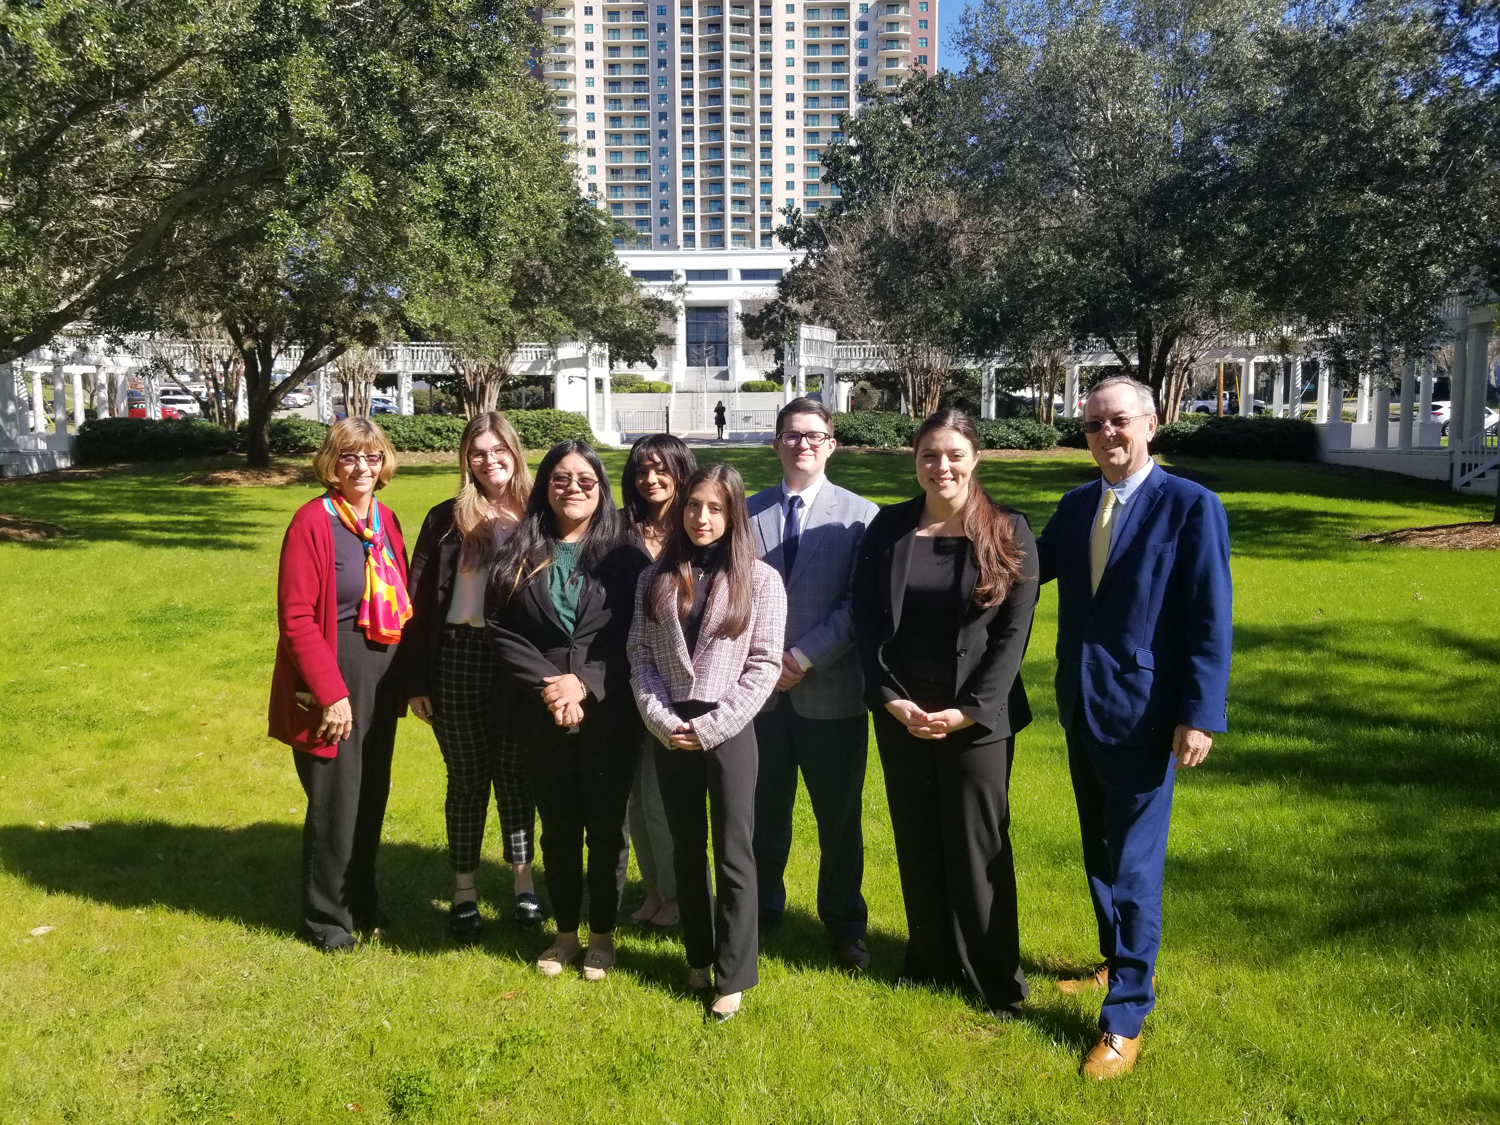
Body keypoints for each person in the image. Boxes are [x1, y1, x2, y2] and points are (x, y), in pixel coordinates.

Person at [1036, 375, 1232, 1079]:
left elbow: (1210, 617)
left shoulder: (1191, 506)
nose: (1106, 434)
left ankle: (1125, 1017)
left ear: (1151, 424)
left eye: (1118, 421)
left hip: (1147, 715)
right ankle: (1113, 961)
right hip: (1082, 705)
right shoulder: (1075, 505)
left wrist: (1199, 714)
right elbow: (1026, 569)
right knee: (1099, 850)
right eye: (1094, 425)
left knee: (1135, 867)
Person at [852, 408, 1039, 1019]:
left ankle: (996, 979)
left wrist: (969, 712)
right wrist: (889, 697)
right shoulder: (888, 528)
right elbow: (866, 620)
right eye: (930, 455)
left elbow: (1012, 636)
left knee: (977, 848)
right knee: (917, 839)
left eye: (955, 454)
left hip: (977, 722)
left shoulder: (1008, 530)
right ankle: (931, 960)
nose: (942, 467)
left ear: (975, 458)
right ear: (915, 460)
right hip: (903, 714)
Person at [629, 463, 788, 1022]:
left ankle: (733, 973)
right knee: (685, 849)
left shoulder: (760, 580)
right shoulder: (655, 578)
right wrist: (661, 719)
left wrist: (714, 726)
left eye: (716, 508)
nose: (702, 517)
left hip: (729, 730)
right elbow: (640, 656)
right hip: (670, 729)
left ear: (734, 514)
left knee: (733, 851)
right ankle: (698, 954)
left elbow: (764, 664)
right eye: (694, 505)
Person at [487, 440, 648, 981]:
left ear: (601, 488)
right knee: (557, 828)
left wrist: (585, 683)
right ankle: (563, 935)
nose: (572, 488)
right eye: (561, 478)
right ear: (545, 486)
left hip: (609, 711)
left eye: (585, 479)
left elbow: (637, 634)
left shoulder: (626, 555)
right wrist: (552, 686)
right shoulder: (518, 550)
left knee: (606, 829)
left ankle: (601, 935)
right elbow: (500, 629)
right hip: (541, 712)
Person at [268, 417, 411, 952]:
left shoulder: (384, 519)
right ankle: (326, 920)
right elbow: (296, 619)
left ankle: (361, 900)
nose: (362, 467)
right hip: (333, 671)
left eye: (372, 457)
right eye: (350, 456)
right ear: (332, 462)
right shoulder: (312, 522)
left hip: (381, 673)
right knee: (336, 801)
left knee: (370, 795)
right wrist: (331, 693)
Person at [746, 397, 878, 971]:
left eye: (815, 435)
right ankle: (759, 912)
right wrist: (764, 664)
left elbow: (859, 604)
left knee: (839, 822)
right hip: (759, 697)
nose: (803, 444)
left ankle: (846, 925)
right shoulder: (746, 513)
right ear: (777, 443)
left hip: (833, 693)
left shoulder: (862, 516)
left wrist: (801, 657)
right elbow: (732, 594)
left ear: (831, 444)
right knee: (761, 815)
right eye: (793, 434)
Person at [402, 413, 539, 944]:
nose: (489, 460)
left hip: (517, 660)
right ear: (466, 459)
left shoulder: (538, 514)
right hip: (457, 656)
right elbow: (417, 600)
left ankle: (523, 884)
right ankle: (464, 890)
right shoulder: (445, 519)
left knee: (516, 775)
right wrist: (415, 679)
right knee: (466, 779)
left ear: (514, 451)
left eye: (498, 449)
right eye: (478, 452)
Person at [619, 434, 700, 929]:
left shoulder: (697, 525)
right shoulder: (619, 529)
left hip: (678, 680)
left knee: (659, 796)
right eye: (641, 471)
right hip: (624, 672)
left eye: (661, 469)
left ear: (680, 470)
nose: (650, 479)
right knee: (634, 795)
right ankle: (653, 891)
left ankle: (677, 895)